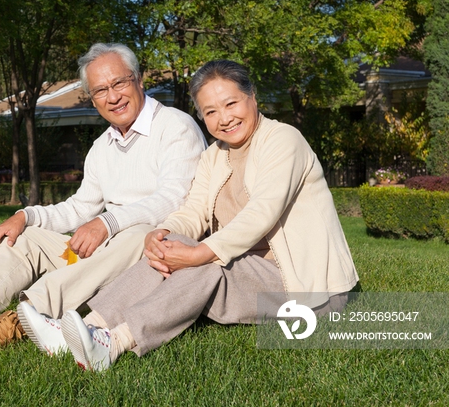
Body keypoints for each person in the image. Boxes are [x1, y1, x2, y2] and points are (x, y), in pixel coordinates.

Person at [19, 59, 359, 371]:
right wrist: (162, 232)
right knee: (176, 245)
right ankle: (87, 328)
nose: (224, 118)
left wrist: (200, 252)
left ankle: (114, 343)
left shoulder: (283, 140)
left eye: (231, 103)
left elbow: (261, 213)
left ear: (252, 97)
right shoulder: (214, 156)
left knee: (205, 261)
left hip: (307, 288)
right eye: (210, 112)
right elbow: (193, 212)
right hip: (246, 273)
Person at [0, 43, 206, 358]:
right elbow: (82, 207)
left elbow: (174, 200)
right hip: (107, 250)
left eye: (119, 83)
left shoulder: (176, 127)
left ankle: (26, 317)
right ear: (92, 99)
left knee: (137, 233)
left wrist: (107, 223)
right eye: (100, 90)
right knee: (24, 237)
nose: (112, 96)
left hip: (152, 254)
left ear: (138, 80)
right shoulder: (102, 146)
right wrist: (26, 216)